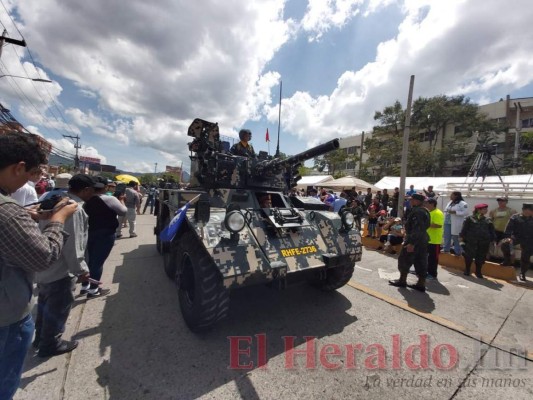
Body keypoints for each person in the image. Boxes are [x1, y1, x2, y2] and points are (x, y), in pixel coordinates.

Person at [0, 132, 77, 400]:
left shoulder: (12, 211)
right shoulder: (7, 211)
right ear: (18, 167)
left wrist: (29, 216)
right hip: (6, 318)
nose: (31, 181)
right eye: (31, 173)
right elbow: (43, 256)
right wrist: (58, 219)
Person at [33, 174, 98, 357]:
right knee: (58, 308)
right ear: (85, 190)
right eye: (92, 191)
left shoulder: (57, 201)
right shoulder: (74, 209)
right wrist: (81, 271)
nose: (93, 194)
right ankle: (51, 344)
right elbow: (73, 245)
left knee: (44, 305)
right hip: (61, 269)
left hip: (45, 265)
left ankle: (40, 338)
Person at [83, 176, 127, 297]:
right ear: (105, 187)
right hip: (105, 233)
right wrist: (122, 200)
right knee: (97, 262)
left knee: (88, 259)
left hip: (89, 231)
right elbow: (123, 211)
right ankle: (94, 289)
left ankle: (85, 285)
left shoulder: (86, 198)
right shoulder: (109, 199)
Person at [389, 193, 431, 292]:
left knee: (404, 259)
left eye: (412, 200)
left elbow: (417, 229)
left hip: (414, 239)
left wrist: (411, 243)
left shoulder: (418, 212)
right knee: (421, 261)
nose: (410, 201)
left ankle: (402, 280)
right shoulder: (425, 211)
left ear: (417, 201)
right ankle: (421, 284)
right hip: (422, 239)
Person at [460, 204, 496, 279]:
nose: (486, 210)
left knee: (481, 257)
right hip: (471, 241)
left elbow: (491, 231)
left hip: (483, 242)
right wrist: (462, 240)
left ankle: (478, 271)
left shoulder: (488, 220)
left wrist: (493, 239)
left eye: (486, 209)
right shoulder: (469, 219)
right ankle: (467, 270)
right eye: (484, 209)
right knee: (468, 256)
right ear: (478, 210)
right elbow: (464, 230)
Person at [501, 203, 533, 281]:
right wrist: (508, 238)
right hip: (516, 237)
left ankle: (522, 273)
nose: (527, 212)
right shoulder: (515, 217)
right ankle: (507, 260)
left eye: (530, 210)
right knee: (505, 244)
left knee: (526, 257)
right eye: (526, 210)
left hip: (529, 239)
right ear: (522, 210)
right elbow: (508, 229)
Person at [442, 191, 468, 256]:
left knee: (455, 237)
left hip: (455, 223)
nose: (450, 196)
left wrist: (455, 212)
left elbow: (465, 212)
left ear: (456, 196)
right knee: (447, 236)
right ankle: (446, 249)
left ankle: (458, 252)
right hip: (447, 222)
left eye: (452, 195)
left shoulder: (463, 203)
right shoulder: (450, 202)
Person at [425, 198, 444, 280]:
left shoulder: (438, 213)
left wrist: (425, 224)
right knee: (427, 257)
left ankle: (432, 274)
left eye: (427, 203)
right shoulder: (430, 212)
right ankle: (427, 271)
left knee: (433, 258)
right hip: (428, 239)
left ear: (432, 204)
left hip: (435, 240)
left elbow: (438, 225)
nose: (426, 205)